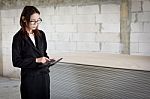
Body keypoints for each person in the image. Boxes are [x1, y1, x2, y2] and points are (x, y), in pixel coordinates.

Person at [12, 6, 51, 99]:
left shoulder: (41, 34)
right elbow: (16, 61)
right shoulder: (18, 38)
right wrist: (36, 60)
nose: (36, 23)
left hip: (44, 77)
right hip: (30, 79)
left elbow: (44, 53)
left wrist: (48, 60)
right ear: (24, 19)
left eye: (38, 20)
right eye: (33, 20)